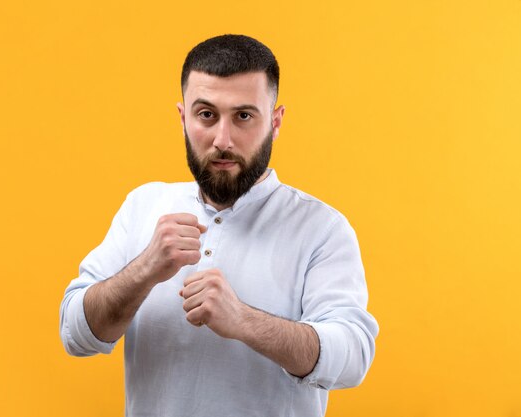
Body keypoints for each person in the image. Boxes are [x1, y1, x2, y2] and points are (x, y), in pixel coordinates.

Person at [60, 34, 379, 417]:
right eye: (206, 115)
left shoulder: (321, 228)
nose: (222, 140)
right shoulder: (143, 206)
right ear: (183, 118)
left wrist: (244, 321)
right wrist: (144, 269)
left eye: (243, 116)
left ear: (275, 123)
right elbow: (76, 334)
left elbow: (352, 355)